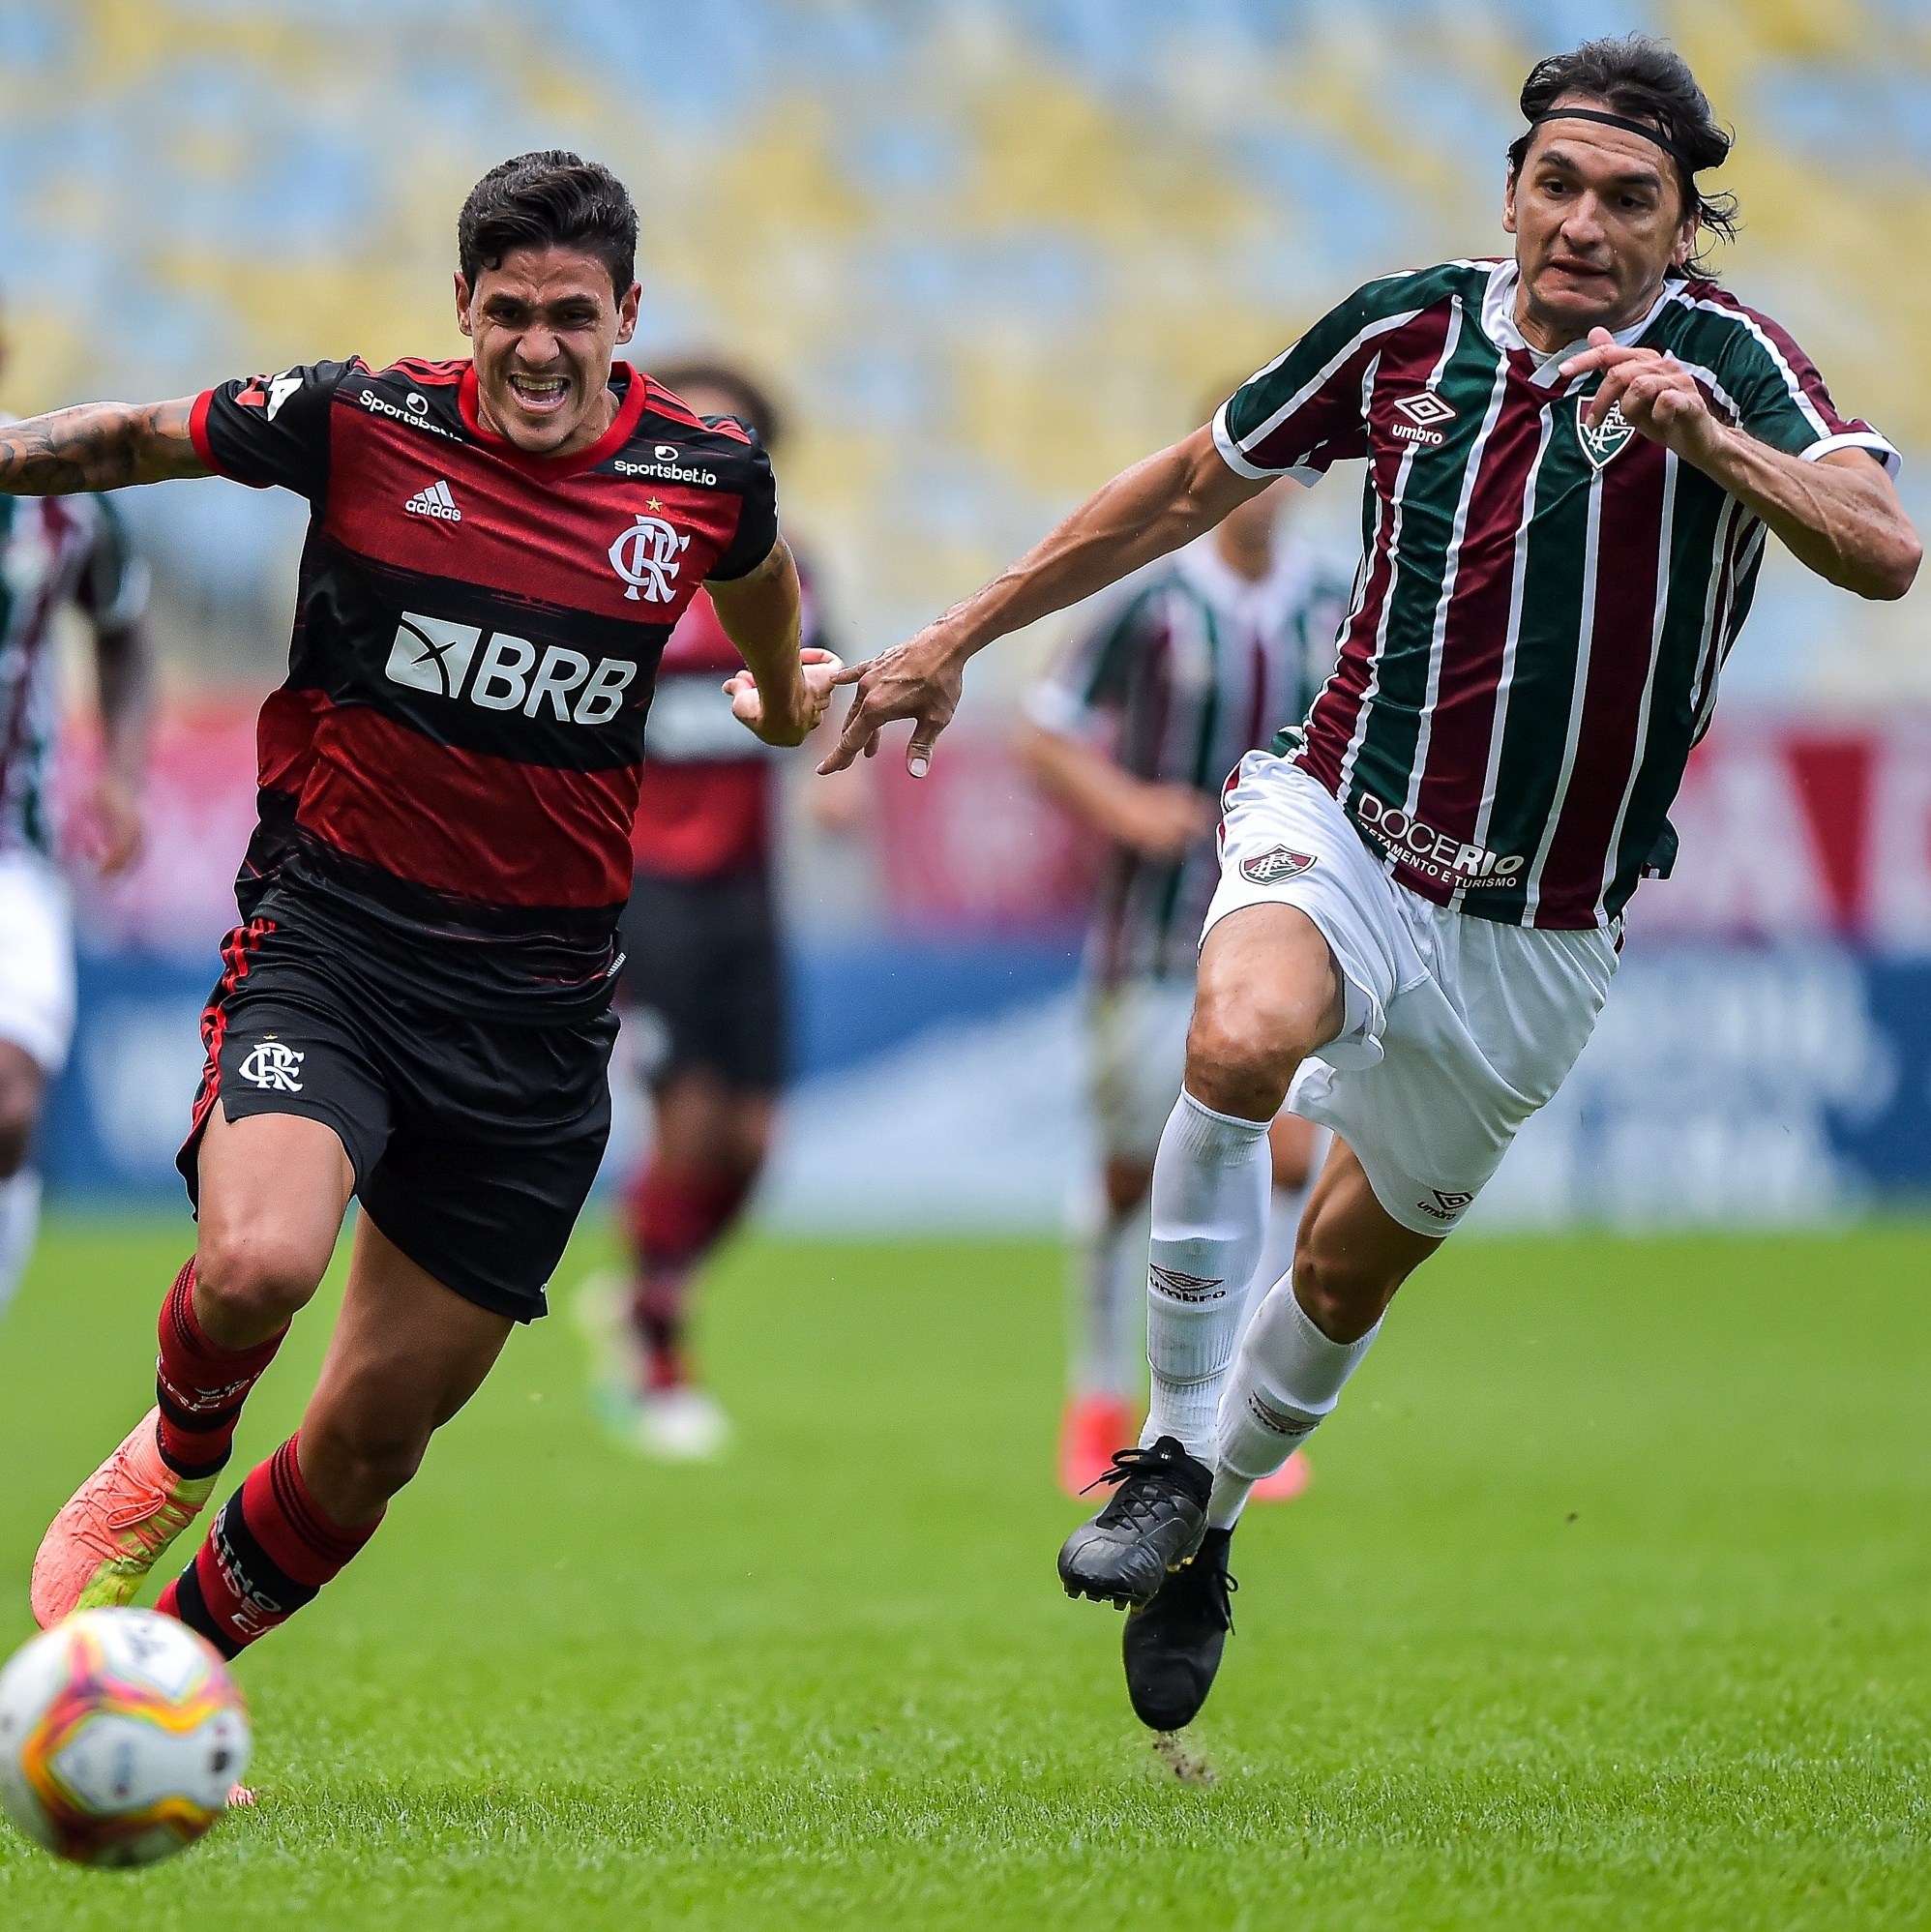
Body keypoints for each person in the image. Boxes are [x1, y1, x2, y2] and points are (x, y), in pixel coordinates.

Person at [824, 37, 1918, 1736]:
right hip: (1347, 819)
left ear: (1682, 228)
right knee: (1243, 1036)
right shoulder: (1405, 328)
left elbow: (1881, 546)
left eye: (1629, 199)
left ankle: (1207, 1522)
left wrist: (1711, 443)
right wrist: (952, 635)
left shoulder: (1732, 362)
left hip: (1542, 926)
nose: (1581, 222)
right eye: (1554, 183)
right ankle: (1164, 1462)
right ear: (1509, 192)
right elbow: (1195, 481)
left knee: (1341, 1278)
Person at [17, 151, 840, 1660]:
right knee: (259, 1262)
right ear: (461, 305)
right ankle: (171, 1461)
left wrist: (785, 697)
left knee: (371, 1437)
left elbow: (764, 567)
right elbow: (137, 436)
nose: (539, 345)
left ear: (627, 315)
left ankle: (163, 1678)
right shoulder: (360, 422)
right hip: (335, 945)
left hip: (536, 1017)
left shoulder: (702, 475)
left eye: (573, 316)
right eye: (509, 310)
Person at [1014, 450, 1348, 1495]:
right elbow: (1045, 725)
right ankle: (1096, 1393)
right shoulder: (1155, 603)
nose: (1263, 493)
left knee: (1286, 1159)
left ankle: (1239, 1410)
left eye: (1283, 471)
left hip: (1291, 930)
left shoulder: (1338, 604)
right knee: (1129, 1178)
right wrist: (1123, 806)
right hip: (1154, 935)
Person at [594, 356, 843, 1459]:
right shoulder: (612, 561)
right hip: (644, 884)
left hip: (749, 887)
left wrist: (852, 772)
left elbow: (829, 685)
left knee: (751, 1144)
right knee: (689, 1120)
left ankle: (650, 1282)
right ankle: (654, 1347)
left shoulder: (789, 571)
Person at [0, 345, 154, 1328]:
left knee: (10, 1103)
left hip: (12, 844)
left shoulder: (62, 502)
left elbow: (123, 629)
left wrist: (124, 773)